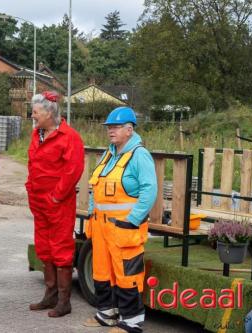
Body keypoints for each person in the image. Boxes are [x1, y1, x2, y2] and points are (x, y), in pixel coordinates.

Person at [84, 106, 157, 333]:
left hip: (125, 229)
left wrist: (133, 220)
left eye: (115, 127)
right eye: (109, 127)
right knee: (102, 271)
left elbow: (150, 190)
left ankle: (131, 322)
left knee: (128, 275)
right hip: (102, 228)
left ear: (129, 129)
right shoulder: (109, 153)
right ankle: (107, 313)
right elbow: (95, 187)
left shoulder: (139, 155)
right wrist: (90, 214)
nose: (110, 131)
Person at [26, 91, 85, 318]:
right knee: (44, 246)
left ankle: (64, 301)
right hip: (39, 201)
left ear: (50, 113)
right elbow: (33, 163)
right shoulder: (37, 134)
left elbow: (73, 170)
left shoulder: (70, 137)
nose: (33, 116)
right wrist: (30, 188)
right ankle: (50, 295)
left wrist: (57, 196)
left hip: (58, 202)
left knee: (61, 247)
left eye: (36, 112)